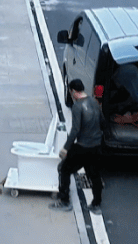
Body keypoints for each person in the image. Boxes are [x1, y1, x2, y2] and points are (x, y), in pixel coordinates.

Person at [52, 78, 104, 213]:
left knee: (64, 169)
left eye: (71, 93)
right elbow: (102, 122)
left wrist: (65, 148)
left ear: (74, 91)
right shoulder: (94, 102)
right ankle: (96, 204)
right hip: (96, 146)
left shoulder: (77, 106)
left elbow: (75, 130)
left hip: (82, 147)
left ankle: (65, 201)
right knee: (94, 175)